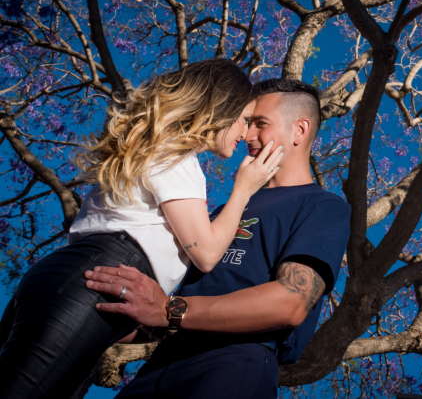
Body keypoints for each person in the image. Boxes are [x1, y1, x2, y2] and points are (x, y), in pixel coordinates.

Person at [0, 59, 283, 399]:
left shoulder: (157, 148)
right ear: (222, 109)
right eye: (245, 120)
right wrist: (243, 189)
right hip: (90, 284)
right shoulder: (176, 155)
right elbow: (206, 254)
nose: (246, 133)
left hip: (74, 282)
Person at [84, 79, 351, 399]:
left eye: (260, 124)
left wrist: (170, 310)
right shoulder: (226, 210)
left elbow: (292, 302)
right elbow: (168, 303)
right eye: (247, 123)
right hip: (159, 364)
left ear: (299, 130)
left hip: (233, 361)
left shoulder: (322, 206)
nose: (248, 135)